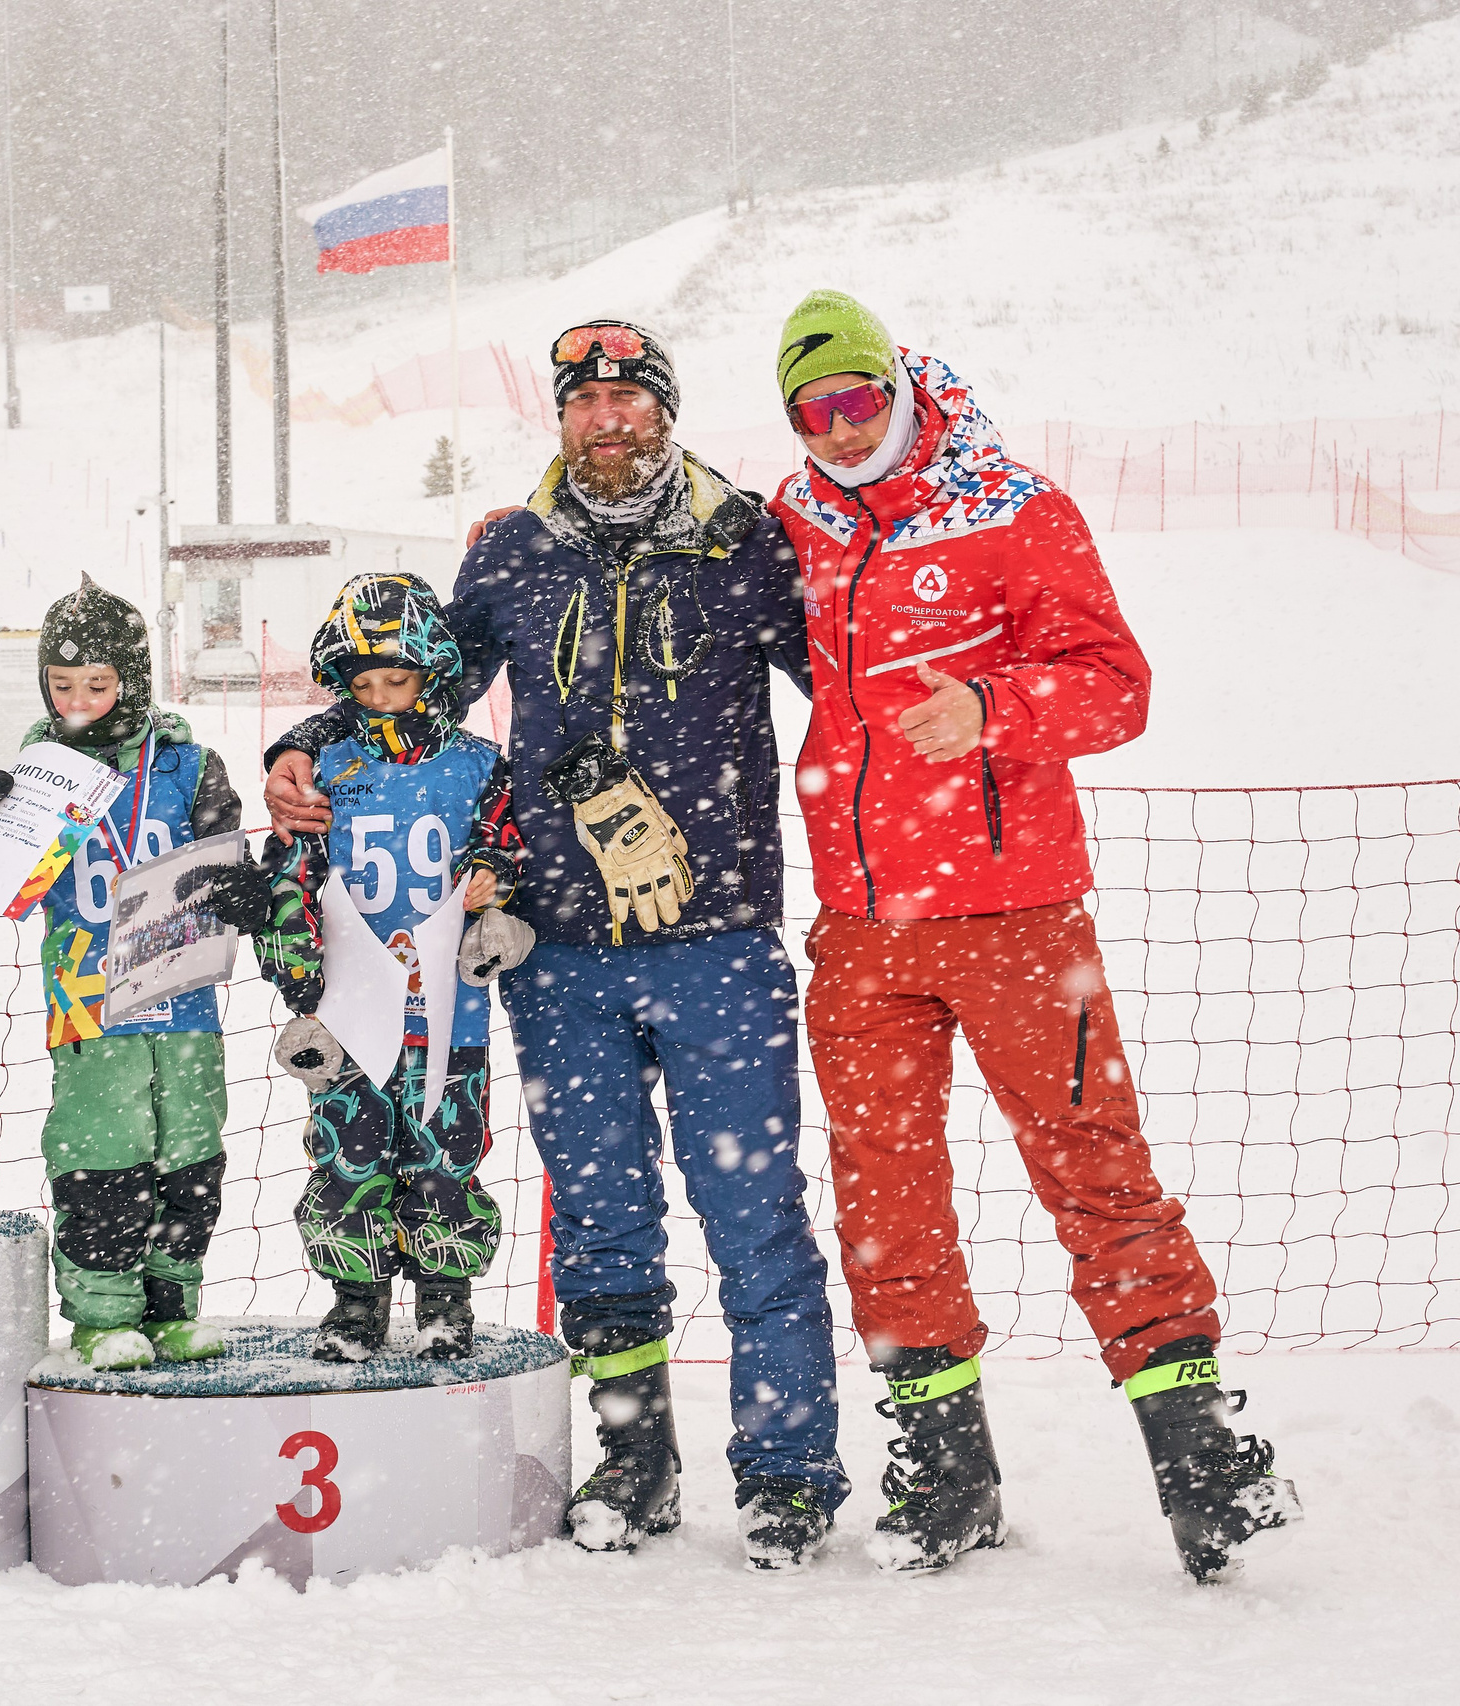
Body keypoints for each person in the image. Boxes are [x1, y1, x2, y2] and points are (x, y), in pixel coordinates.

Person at [264, 321, 848, 1569]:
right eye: (586, 401)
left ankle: (788, 1470)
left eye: (631, 398)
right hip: (554, 942)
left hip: (717, 935)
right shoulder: (511, 553)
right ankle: (634, 1460)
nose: (609, 419)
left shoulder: (742, 541)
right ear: (562, 419)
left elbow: (845, 681)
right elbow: (413, 679)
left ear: (666, 412)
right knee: (599, 1216)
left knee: (753, 1212)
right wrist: (305, 740)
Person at [770, 290, 1301, 1581]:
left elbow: (1118, 685)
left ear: (898, 386)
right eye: (811, 410)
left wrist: (995, 708)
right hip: (864, 925)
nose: (838, 430)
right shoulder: (791, 522)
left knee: (1095, 1173)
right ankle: (944, 1468)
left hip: (1015, 915)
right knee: (884, 1203)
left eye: (855, 399)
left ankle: (1200, 1454)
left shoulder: (1013, 503)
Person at [0, 577, 245, 1371]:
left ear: (132, 681)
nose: (81, 702)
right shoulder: (40, 775)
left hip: (182, 991)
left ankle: (174, 1303)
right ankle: (104, 1311)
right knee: (103, 1149)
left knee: (192, 1150)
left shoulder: (188, 766)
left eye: (98, 686)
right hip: (88, 998)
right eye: (62, 687)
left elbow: (228, 864)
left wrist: (241, 882)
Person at [248, 572, 529, 1362]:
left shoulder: (477, 764)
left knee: (446, 1159)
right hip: (350, 1018)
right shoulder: (322, 768)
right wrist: (297, 989)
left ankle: (445, 1298)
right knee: (349, 1160)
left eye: (397, 679)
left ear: (433, 673)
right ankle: (355, 1301)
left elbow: (509, 839)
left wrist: (494, 875)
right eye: (362, 683)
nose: (380, 696)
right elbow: (290, 881)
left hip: (447, 1014)